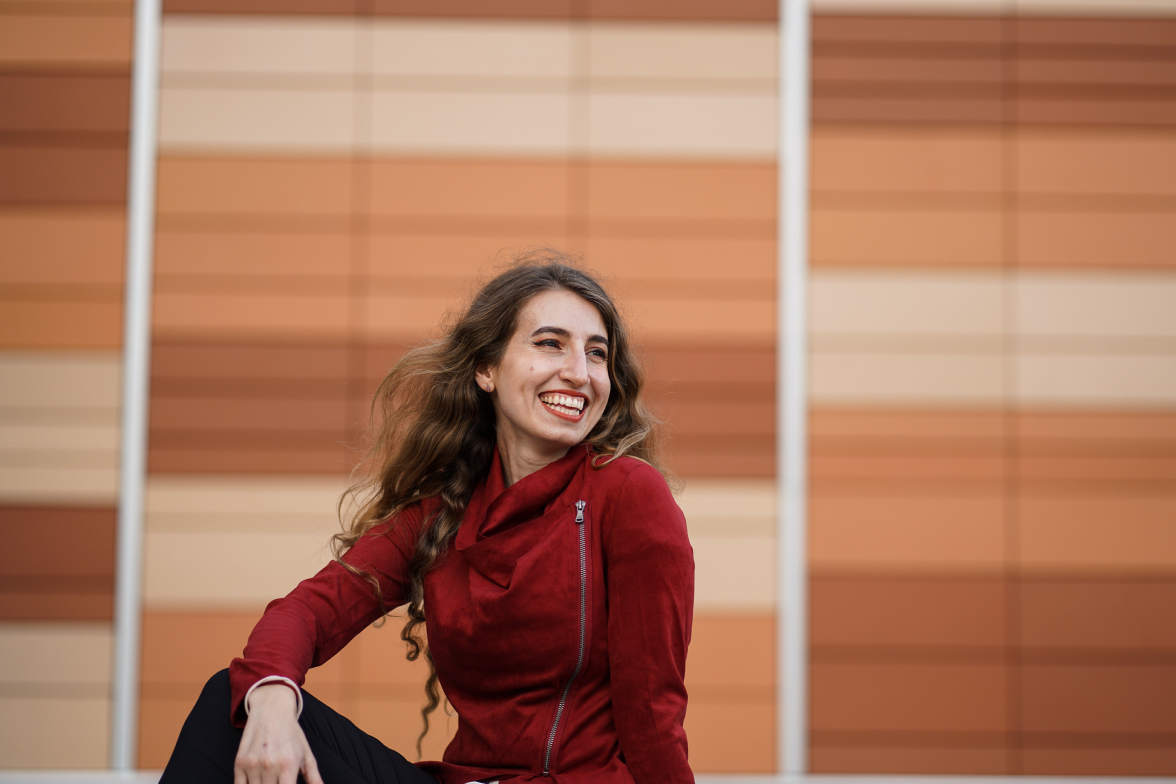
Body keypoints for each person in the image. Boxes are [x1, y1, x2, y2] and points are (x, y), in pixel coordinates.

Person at [160, 251, 695, 784]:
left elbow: (653, 710)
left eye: (597, 354)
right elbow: (308, 611)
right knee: (233, 700)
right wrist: (274, 694)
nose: (579, 373)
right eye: (550, 343)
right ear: (486, 369)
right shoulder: (443, 513)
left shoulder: (628, 494)